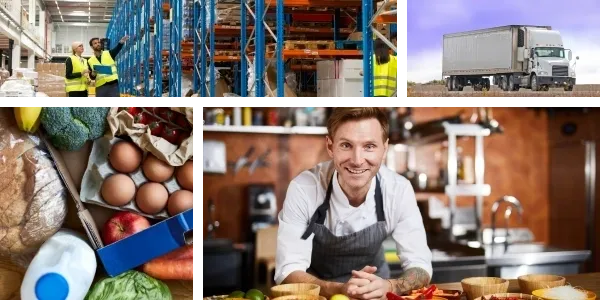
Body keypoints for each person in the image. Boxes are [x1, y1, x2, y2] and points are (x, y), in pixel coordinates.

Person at [275, 107, 432, 298]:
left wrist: (391, 286)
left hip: (377, 295)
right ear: (330, 147)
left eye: (369, 146)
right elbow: (288, 270)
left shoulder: (398, 190)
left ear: (384, 149)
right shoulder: (304, 189)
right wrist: (339, 290)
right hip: (318, 295)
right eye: (346, 145)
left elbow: (420, 265)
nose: (357, 160)